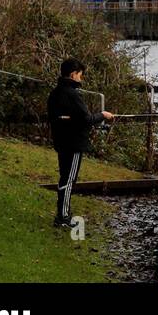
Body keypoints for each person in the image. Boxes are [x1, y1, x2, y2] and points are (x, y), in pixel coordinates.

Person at [46, 59, 115, 228]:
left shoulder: (55, 93)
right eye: (80, 75)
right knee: (69, 180)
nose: (81, 79)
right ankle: (63, 216)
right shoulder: (72, 94)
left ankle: (62, 214)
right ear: (73, 74)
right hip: (73, 143)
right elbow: (86, 119)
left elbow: (58, 117)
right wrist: (103, 115)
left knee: (64, 177)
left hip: (61, 141)